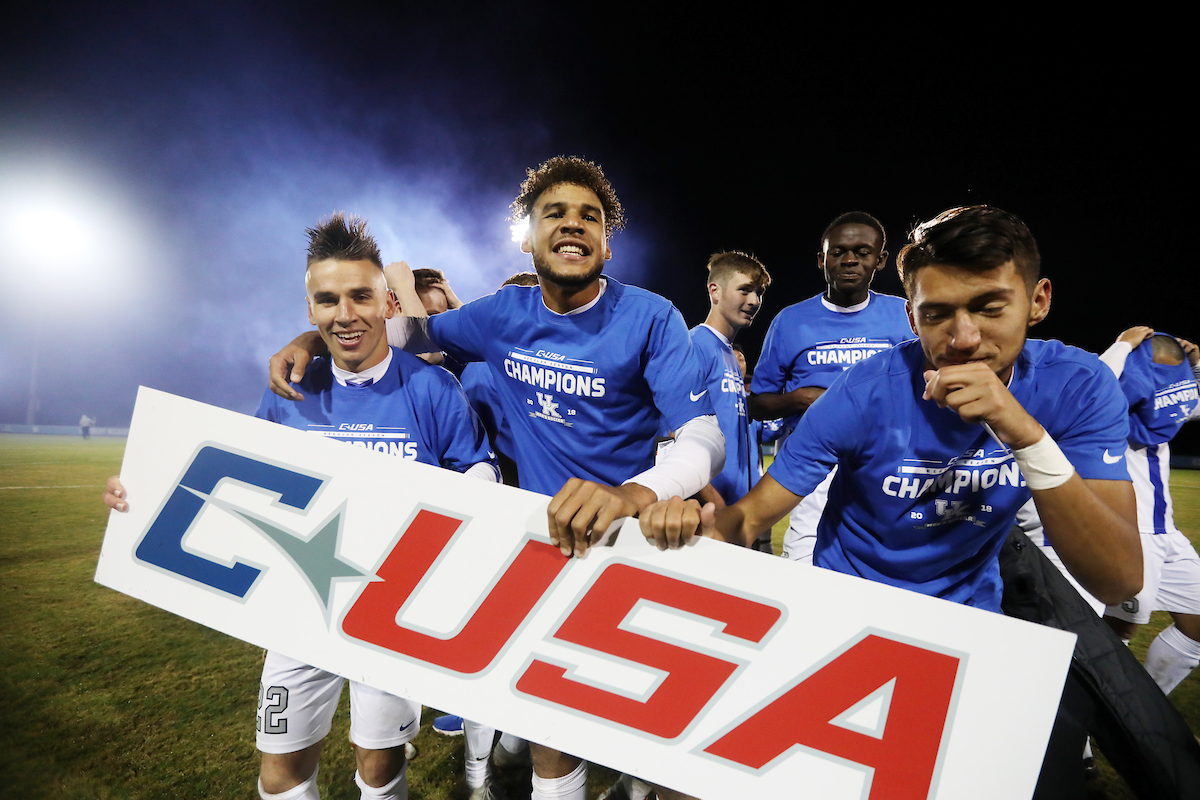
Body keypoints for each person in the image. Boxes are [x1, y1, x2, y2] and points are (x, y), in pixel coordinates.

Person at [639, 205, 1143, 798]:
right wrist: (694, 527)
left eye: (989, 307)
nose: (963, 339)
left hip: (966, 628)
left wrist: (1023, 430)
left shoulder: (1076, 386)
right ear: (910, 315)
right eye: (937, 315)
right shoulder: (863, 390)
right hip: (847, 619)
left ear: (1038, 300)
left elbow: (1118, 577)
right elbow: (752, 514)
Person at [268, 156, 723, 800]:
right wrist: (308, 341)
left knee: (652, 730)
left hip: (630, 541)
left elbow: (702, 436)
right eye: (554, 214)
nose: (572, 225)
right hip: (543, 543)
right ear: (528, 236)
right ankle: (513, 753)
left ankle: (543, 759)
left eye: (588, 216)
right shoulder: (499, 314)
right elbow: (390, 326)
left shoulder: (651, 317)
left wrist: (631, 495)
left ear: (606, 239)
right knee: (553, 733)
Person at [105, 213, 499, 800]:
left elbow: (478, 467)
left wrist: (471, 498)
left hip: (387, 611)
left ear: (387, 302)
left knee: (378, 762)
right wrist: (144, 489)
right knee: (281, 770)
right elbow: (229, 474)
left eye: (361, 296)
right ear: (310, 310)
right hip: (297, 607)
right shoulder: (290, 390)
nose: (346, 314)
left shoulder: (432, 388)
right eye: (328, 300)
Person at [747, 212, 912, 563]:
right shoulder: (791, 321)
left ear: (880, 259)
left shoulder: (904, 316)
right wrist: (799, 399)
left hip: (888, 462)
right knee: (805, 563)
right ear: (822, 260)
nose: (849, 260)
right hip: (813, 463)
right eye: (837, 252)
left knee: (887, 566)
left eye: (862, 252)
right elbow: (757, 404)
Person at [1098, 327, 1200, 696]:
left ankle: (1147, 708)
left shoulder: (1160, 409)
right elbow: (1093, 385)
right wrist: (1122, 344)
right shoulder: (1106, 407)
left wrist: (1194, 368)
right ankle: (1082, 739)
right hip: (1130, 532)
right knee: (1114, 635)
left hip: (1165, 531)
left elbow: (1192, 404)